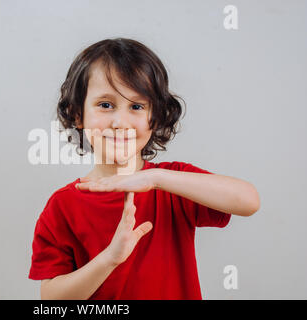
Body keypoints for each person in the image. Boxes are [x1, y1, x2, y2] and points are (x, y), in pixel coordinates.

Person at [28, 38, 260, 300]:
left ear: (155, 118)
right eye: (105, 105)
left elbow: (248, 201)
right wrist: (109, 259)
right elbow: (52, 299)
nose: (120, 122)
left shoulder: (171, 182)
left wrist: (156, 178)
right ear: (77, 114)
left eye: (137, 107)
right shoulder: (63, 205)